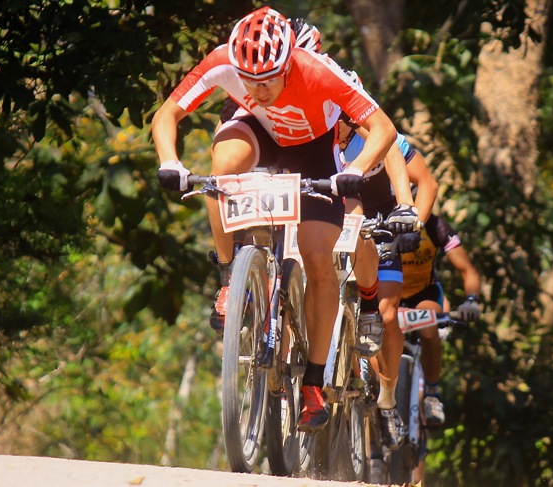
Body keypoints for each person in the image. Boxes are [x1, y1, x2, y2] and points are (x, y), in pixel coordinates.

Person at [151, 6, 415, 432]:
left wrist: (354, 169)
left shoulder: (321, 73)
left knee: (317, 256)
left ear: (290, 62)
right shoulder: (223, 61)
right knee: (221, 169)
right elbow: (167, 114)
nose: (258, 88)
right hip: (255, 131)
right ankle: (227, 275)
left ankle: (313, 380)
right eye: (248, 80)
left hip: (312, 151)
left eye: (268, 80)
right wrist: (170, 160)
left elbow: (383, 130)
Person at [336, 92, 437, 450]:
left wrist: (415, 226)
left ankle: (388, 396)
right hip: (339, 218)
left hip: (383, 225)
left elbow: (427, 183)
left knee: (386, 311)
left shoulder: (373, 131)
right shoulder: (309, 134)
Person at [399, 213, 481, 482]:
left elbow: (467, 269)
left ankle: (432, 394)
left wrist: (471, 300)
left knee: (428, 324)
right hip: (389, 295)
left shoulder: (435, 226)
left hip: (424, 296)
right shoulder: (382, 215)